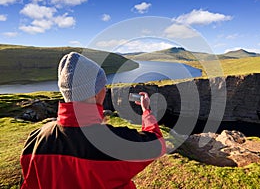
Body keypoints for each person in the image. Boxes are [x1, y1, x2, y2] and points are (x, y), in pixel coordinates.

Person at [20, 52, 166, 189]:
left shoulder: (35, 140)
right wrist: (146, 111)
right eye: (103, 86)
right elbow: (157, 143)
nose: (106, 90)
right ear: (95, 94)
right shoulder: (115, 143)